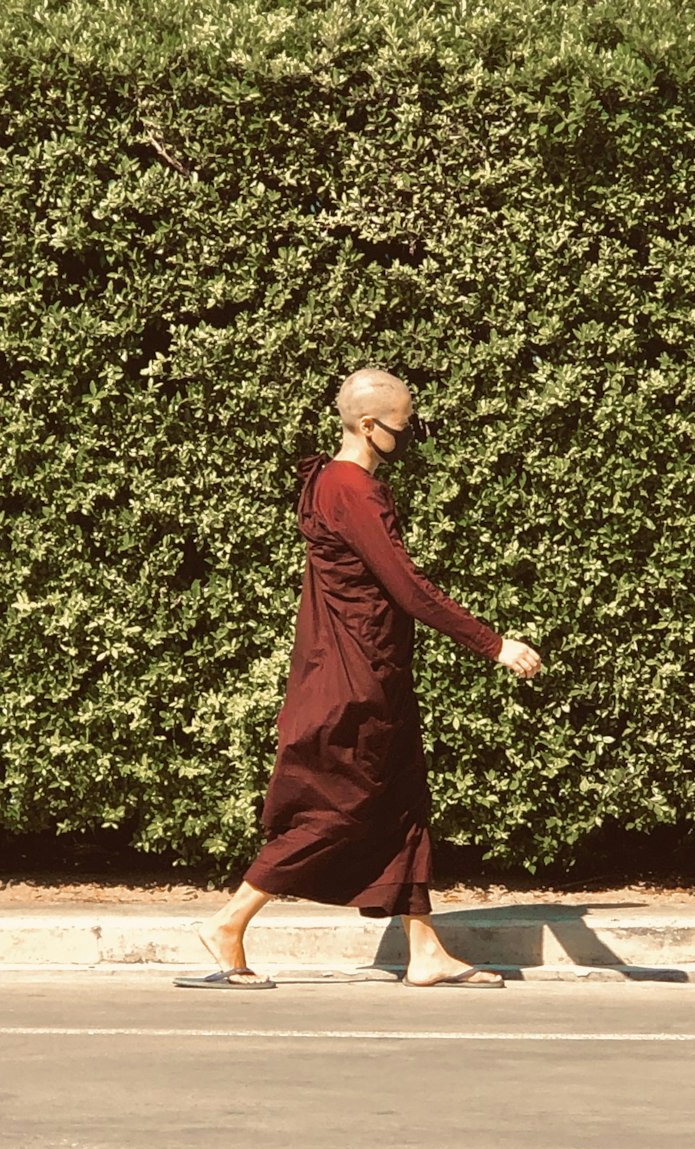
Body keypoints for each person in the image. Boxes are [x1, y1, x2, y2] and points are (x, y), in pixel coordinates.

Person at [173, 369, 541, 991]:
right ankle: (230, 921)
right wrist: (493, 643)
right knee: (337, 805)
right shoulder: (351, 490)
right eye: (405, 428)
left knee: (402, 807)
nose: (412, 438)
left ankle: (424, 952)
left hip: (370, 670)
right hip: (354, 679)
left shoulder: (329, 481)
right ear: (369, 426)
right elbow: (406, 585)